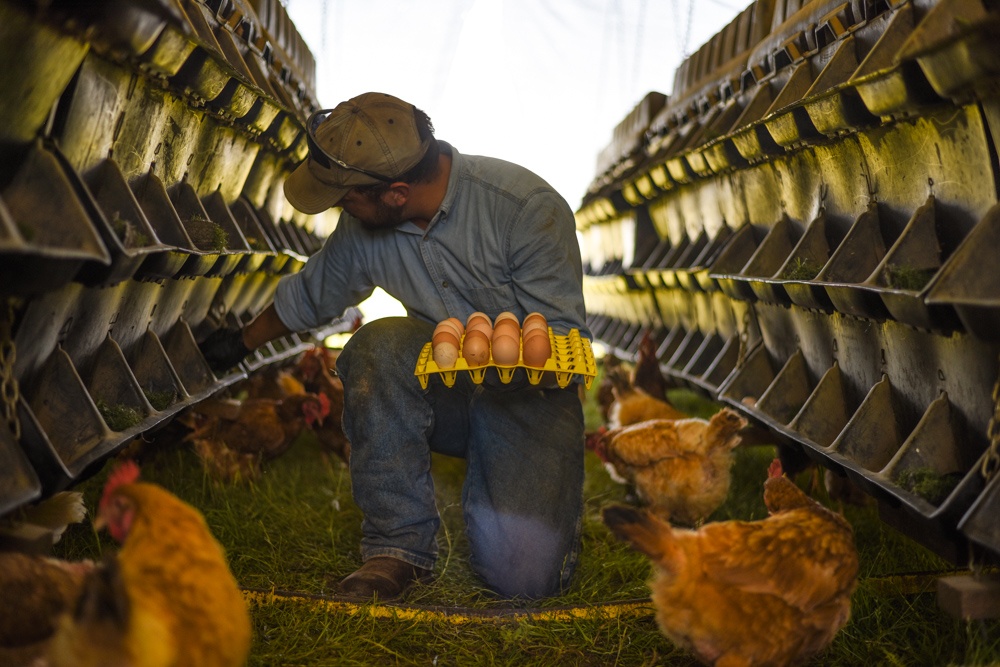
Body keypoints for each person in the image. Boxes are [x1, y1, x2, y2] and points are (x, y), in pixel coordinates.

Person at [200, 92, 590, 601]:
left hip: (526, 399)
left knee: (523, 581)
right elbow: (315, 292)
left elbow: (557, 342)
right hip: (446, 390)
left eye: (346, 198)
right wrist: (239, 342)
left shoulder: (524, 210)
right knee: (378, 347)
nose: (341, 208)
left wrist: (504, 352)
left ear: (396, 193)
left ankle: (521, 495)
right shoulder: (364, 227)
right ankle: (397, 547)